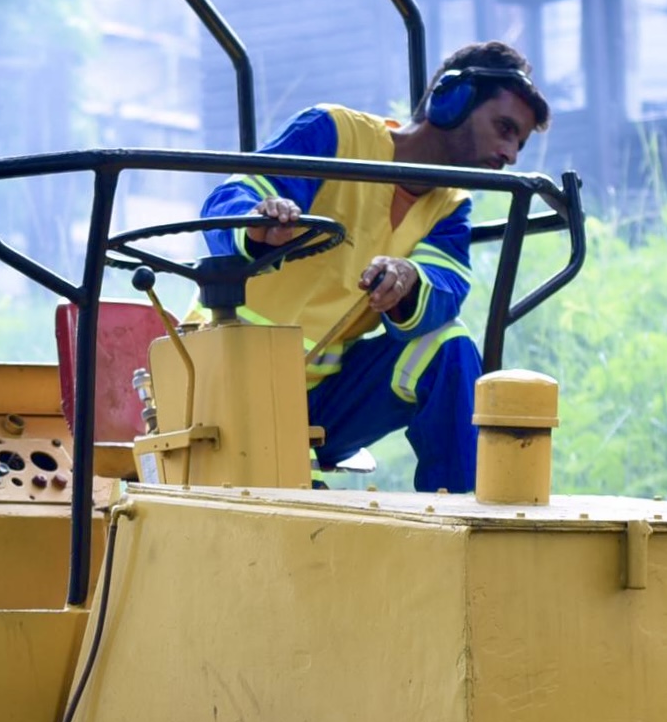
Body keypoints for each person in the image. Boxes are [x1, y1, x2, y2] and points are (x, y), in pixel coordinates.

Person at [197, 42, 549, 490]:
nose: (511, 155)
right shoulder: (336, 134)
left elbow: (445, 286)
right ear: (451, 100)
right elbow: (233, 199)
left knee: (448, 345)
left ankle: (462, 520)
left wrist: (409, 281)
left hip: (321, 404)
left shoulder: (450, 209)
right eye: (504, 128)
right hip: (222, 384)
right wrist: (258, 226)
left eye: (518, 142)